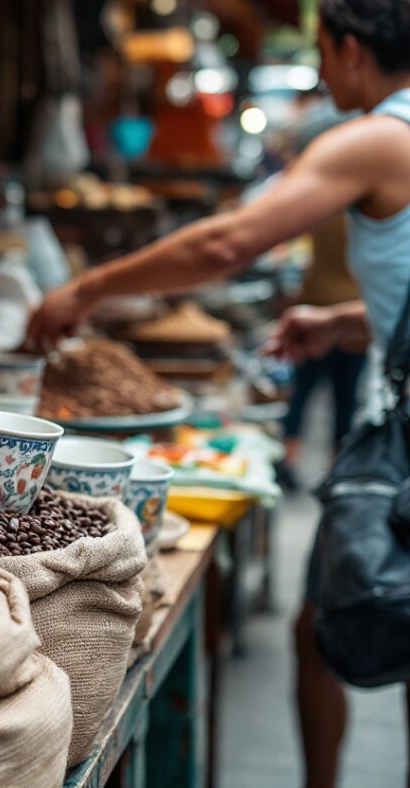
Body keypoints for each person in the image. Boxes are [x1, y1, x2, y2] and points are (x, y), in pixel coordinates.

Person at [27, 1, 410, 785]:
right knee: (327, 622)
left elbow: (229, 240)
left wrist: (85, 291)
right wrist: (343, 322)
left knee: (337, 620)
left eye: (325, 57)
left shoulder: (379, 136)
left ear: (349, 50)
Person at [277, 98, 366, 489]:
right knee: (344, 401)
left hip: (319, 306)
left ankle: (289, 458)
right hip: (353, 317)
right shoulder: (365, 206)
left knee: (303, 394)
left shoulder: (324, 202)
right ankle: (336, 469)